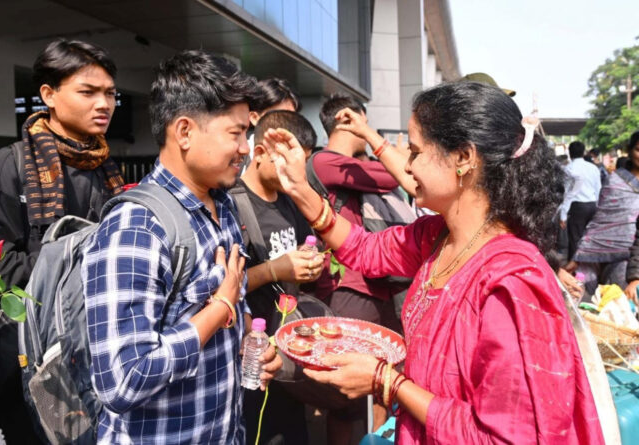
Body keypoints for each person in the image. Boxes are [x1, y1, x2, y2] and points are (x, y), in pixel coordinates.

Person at [263, 81, 604, 444]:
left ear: (464, 158)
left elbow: (501, 437)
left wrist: (386, 380)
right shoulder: (438, 236)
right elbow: (365, 249)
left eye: (415, 152)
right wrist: (299, 187)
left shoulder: (511, 282)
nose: (407, 167)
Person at [81, 50, 282, 444]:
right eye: (236, 133)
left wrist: (246, 341)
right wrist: (218, 311)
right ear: (185, 132)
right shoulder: (137, 227)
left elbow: (231, 306)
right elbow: (122, 381)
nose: (246, 148)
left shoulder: (223, 206)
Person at [0, 39, 124, 444]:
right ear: (48, 95)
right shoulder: (12, 166)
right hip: (29, 349)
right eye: (88, 92)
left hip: (96, 342)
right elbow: (4, 265)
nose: (103, 104)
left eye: (110, 94)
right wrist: (72, 263)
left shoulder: (107, 170)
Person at [311, 93, 415, 444]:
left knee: (382, 382)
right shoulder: (323, 162)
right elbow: (395, 176)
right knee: (345, 400)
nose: (367, 130)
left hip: (379, 285)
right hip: (349, 287)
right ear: (346, 120)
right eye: (363, 123)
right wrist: (391, 153)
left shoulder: (356, 166)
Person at [238, 110, 324, 444]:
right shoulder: (232, 204)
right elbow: (222, 288)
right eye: (288, 163)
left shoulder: (289, 201)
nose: (296, 174)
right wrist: (276, 269)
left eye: (302, 164)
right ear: (259, 153)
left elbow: (306, 249)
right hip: (251, 353)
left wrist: (311, 264)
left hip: (288, 347)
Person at [567, 131, 639, 297]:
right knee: (611, 302)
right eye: (638, 149)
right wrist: (580, 254)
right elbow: (600, 220)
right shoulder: (615, 180)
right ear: (629, 150)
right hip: (612, 257)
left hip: (634, 258)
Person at [559, 141, 602, 260]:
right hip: (592, 205)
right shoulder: (593, 168)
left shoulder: (568, 169)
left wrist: (563, 214)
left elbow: (567, 193)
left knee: (575, 239)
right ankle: (590, 265)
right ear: (583, 153)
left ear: (569, 153)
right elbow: (598, 189)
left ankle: (574, 267)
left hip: (577, 207)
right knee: (590, 237)